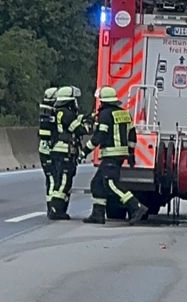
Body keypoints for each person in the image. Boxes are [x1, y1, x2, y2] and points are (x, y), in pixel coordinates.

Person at [81, 87, 148, 224]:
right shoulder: (125, 114)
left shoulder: (105, 115)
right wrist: (131, 154)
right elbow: (132, 135)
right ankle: (98, 214)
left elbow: (99, 136)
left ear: (103, 101)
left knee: (111, 183)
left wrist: (84, 151)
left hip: (111, 154)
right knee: (97, 184)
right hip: (120, 154)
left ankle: (137, 207)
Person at [48, 86, 87, 220]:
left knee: (59, 180)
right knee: (64, 181)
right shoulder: (67, 114)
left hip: (56, 150)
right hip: (65, 150)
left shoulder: (56, 112)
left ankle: (57, 208)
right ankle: (56, 209)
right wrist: (87, 125)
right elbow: (80, 130)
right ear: (70, 101)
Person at [38, 87, 57, 216]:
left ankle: (53, 206)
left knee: (51, 179)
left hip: (45, 151)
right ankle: (52, 207)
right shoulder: (49, 115)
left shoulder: (47, 112)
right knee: (52, 179)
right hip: (48, 152)